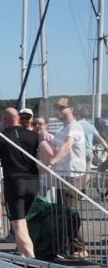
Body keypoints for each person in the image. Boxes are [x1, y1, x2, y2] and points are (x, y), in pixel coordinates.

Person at [0, 108, 40, 257]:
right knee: (28, 221)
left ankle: (32, 259)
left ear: (6, 120)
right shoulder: (34, 136)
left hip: (15, 183)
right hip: (33, 182)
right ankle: (24, 254)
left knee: (18, 223)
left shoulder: (1, 137)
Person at [47, 97, 88, 258]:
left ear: (71, 108)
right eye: (57, 108)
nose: (59, 111)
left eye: (62, 108)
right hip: (61, 175)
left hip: (72, 175)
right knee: (62, 214)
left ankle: (80, 248)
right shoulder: (62, 129)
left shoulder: (75, 127)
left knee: (69, 213)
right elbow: (53, 146)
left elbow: (67, 145)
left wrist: (53, 161)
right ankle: (69, 246)